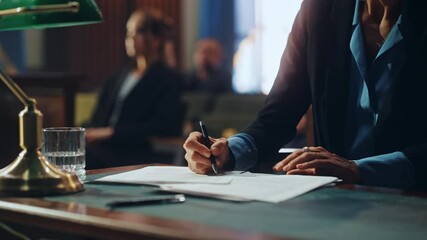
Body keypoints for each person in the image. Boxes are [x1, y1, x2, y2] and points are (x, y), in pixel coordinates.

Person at [183, 0, 427, 191]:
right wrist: (227, 152)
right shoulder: (317, 9)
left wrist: (359, 170)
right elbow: (277, 116)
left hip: (414, 203)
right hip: (335, 201)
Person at [84, 10, 184, 169]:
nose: (129, 38)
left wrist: (111, 133)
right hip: (102, 147)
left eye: (138, 32)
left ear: (156, 39)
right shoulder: (116, 77)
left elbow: (164, 125)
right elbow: (98, 117)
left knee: (86, 159)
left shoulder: (168, 79)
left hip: (136, 152)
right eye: (128, 32)